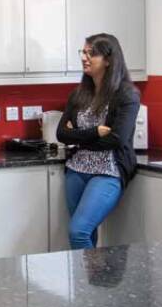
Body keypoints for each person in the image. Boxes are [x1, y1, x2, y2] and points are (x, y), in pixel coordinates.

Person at [56, 33, 140, 249]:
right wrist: (95, 132)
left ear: (109, 59)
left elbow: (117, 139)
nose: (85, 57)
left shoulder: (126, 94)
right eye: (83, 52)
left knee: (79, 232)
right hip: (76, 169)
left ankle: (90, 282)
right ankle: (89, 281)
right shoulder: (79, 94)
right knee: (87, 234)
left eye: (91, 53)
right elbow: (61, 134)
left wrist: (78, 138)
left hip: (108, 170)